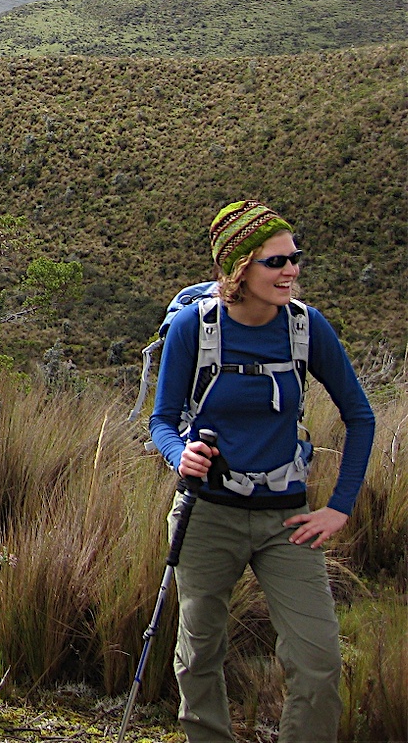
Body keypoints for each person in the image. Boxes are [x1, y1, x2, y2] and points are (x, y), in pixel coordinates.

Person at [149, 201, 375, 743]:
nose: (292, 271)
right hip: (207, 515)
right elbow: (162, 420)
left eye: (295, 258)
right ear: (239, 268)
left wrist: (339, 507)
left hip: (286, 520)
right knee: (199, 655)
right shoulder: (191, 329)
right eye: (277, 262)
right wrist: (180, 455)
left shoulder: (306, 327)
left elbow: (360, 417)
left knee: (319, 662)